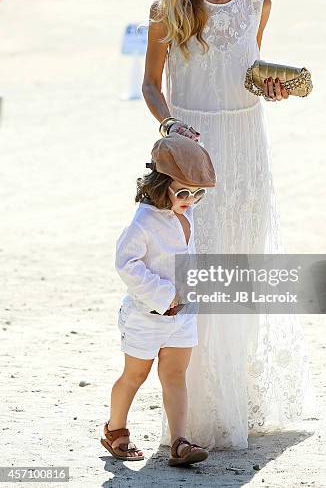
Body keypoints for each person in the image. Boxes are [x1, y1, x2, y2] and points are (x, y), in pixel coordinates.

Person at [142, 0, 317, 450]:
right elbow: (151, 83)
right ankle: (196, 410)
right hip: (195, 147)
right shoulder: (166, 8)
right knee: (199, 271)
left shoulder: (258, 5)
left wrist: (270, 87)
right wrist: (170, 124)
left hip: (246, 145)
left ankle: (236, 395)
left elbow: (247, 74)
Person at [101, 133, 216, 465]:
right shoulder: (143, 223)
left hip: (182, 315)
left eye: (198, 194)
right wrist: (166, 294)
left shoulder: (186, 212)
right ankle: (115, 429)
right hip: (145, 316)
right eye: (182, 192)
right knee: (135, 375)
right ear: (159, 182)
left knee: (176, 374)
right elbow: (126, 264)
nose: (190, 200)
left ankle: (179, 441)